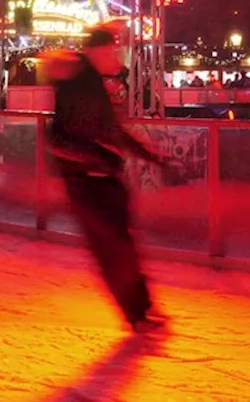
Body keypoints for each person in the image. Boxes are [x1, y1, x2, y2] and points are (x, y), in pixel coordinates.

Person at [44, 24, 169, 334]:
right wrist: (94, 159)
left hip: (102, 179)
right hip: (86, 183)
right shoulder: (78, 84)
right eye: (114, 48)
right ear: (99, 50)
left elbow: (111, 130)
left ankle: (141, 308)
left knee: (122, 246)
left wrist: (147, 154)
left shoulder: (93, 84)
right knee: (113, 250)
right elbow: (56, 139)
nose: (118, 54)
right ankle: (137, 313)